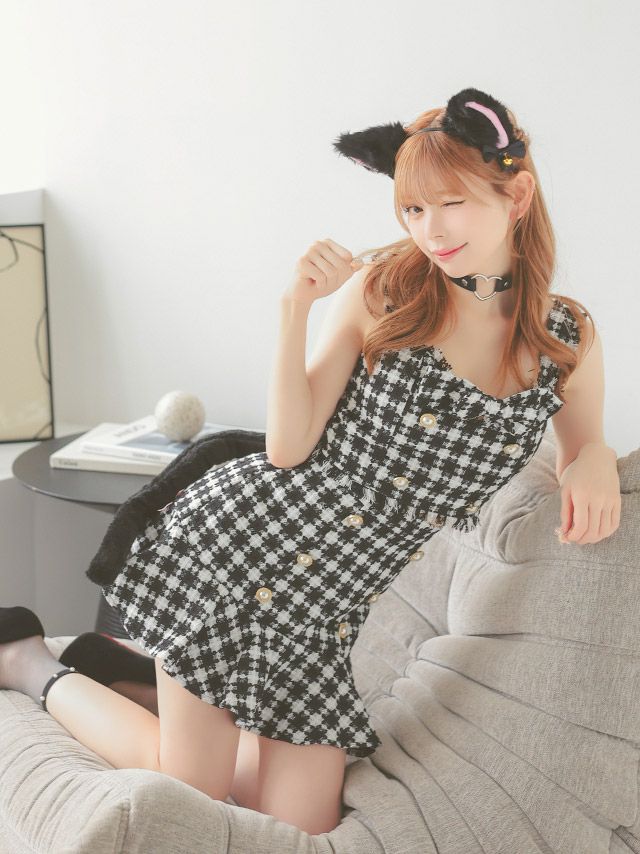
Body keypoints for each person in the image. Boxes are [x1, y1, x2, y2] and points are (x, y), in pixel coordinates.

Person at [0, 87, 621, 836]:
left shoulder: (565, 338)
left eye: (450, 203)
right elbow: (288, 448)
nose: (430, 229)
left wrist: (593, 459)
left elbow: (582, 444)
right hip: (240, 544)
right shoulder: (385, 290)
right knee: (187, 789)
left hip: (323, 608)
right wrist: (295, 308)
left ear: (516, 195)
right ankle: (29, 663)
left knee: (302, 829)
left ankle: (135, 677)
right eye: (413, 209)